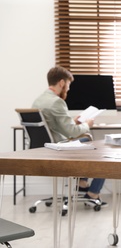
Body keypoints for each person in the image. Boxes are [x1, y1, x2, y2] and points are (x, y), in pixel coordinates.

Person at [32, 66, 107, 207]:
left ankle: (82, 182)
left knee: (85, 139)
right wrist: (87, 123)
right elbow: (72, 132)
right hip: (58, 147)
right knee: (99, 147)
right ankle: (93, 192)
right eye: (68, 84)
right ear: (61, 83)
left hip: (43, 147)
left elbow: (53, 126)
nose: (68, 88)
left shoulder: (39, 100)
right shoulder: (57, 101)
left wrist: (74, 121)